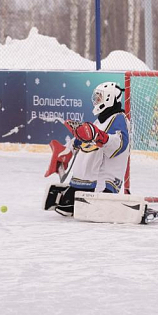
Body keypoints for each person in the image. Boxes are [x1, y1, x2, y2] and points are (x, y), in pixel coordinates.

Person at [49, 82, 130, 216]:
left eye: (99, 97)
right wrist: (66, 151)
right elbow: (85, 140)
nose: (95, 100)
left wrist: (99, 137)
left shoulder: (119, 119)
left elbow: (119, 144)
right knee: (66, 202)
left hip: (104, 182)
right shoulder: (100, 121)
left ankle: (86, 195)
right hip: (88, 180)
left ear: (109, 98)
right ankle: (76, 189)